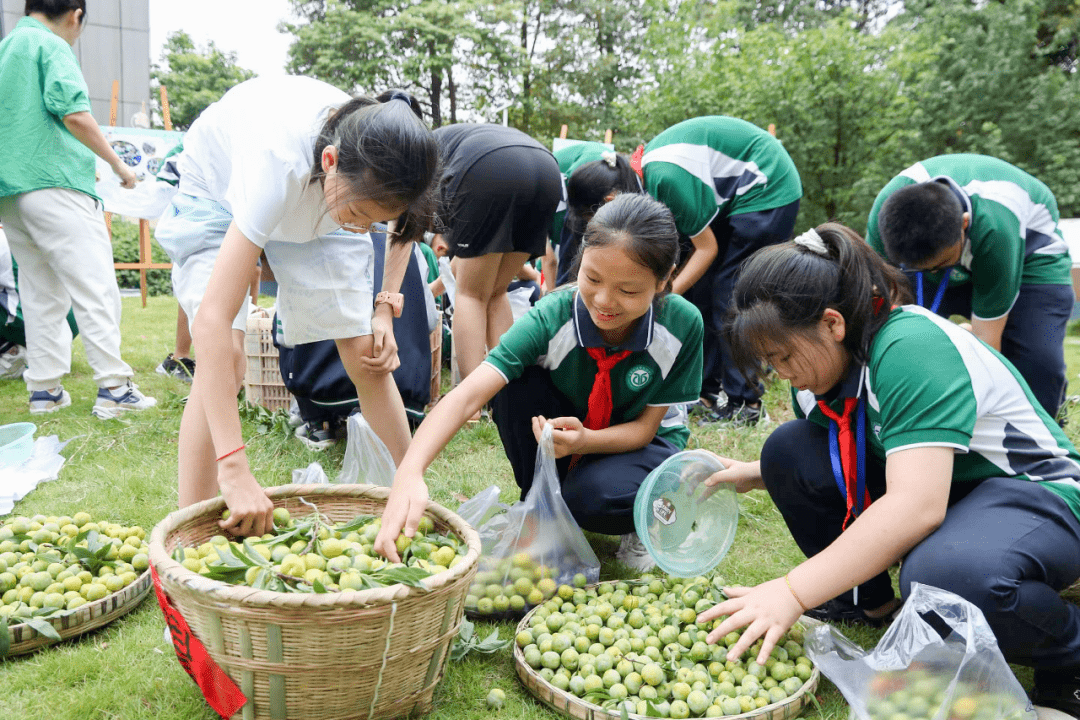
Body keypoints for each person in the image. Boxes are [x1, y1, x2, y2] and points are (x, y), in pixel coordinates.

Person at [698, 223, 1080, 717]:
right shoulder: (819, 372)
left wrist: (790, 591)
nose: (781, 373)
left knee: (945, 577)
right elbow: (849, 446)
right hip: (949, 491)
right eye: (769, 361)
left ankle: (1068, 652)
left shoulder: (910, 346)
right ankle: (870, 605)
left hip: (1033, 495)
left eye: (783, 356)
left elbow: (915, 507)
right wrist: (760, 470)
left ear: (833, 324)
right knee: (787, 450)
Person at [154, 75, 439, 537]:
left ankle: (410, 489)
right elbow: (210, 319)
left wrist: (383, 308)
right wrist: (235, 465)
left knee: (364, 352)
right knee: (224, 358)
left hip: (324, 203)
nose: (365, 230)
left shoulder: (387, 167)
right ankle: (191, 535)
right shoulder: (276, 163)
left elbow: (402, 229)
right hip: (218, 191)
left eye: (376, 221)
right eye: (363, 217)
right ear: (330, 161)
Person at [375, 193, 704, 572]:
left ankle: (646, 516)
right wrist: (410, 472)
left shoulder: (682, 325)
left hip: (640, 443)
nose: (603, 301)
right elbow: (467, 395)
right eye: (592, 278)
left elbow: (646, 430)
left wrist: (586, 441)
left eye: (628, 290)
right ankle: (539, 501)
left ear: (664, 281)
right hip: (573, 430)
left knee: (592, 499)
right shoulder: (554, 315)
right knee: (514, 382)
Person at [0, 0, 156, 417]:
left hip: (12, 190)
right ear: (76, 15)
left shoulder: (7, 49)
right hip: (53, 179)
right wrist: (119, 164)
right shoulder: (51, 47)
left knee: (40, 291)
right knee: (96, 285)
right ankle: (115, 390)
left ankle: (45, 391)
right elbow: (75, 115)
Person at [867, 154, 1074, 420]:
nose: (934, 271)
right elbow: (879, 303)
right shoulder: (885, 217)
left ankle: (1043, 425)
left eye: (939, 263)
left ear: (964, 224)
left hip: (1031, 259)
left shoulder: (996, 228)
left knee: (1037, 362)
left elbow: (988, 346)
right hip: (933, 252)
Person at [641, 116, 802, 426]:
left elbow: (706, 249)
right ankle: (703, 393)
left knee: (731, 295)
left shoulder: (663, 181)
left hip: (767, 186)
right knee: (700, 291)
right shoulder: (649, 182)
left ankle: (746, 404)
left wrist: (662, 293)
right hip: (730, 199)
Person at [432, 123, 562, 381]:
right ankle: (507, 394)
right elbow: (466, 257)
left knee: (470, 294)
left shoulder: (416, 156)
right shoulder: (449, 140)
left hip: (491, 169)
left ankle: (471, 400)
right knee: (496, 290)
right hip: (546, 169)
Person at [553, 146, 641, 287]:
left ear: (610, 201)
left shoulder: (644, 203)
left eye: (589, 219)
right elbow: (567, 260)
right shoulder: (583, 182)